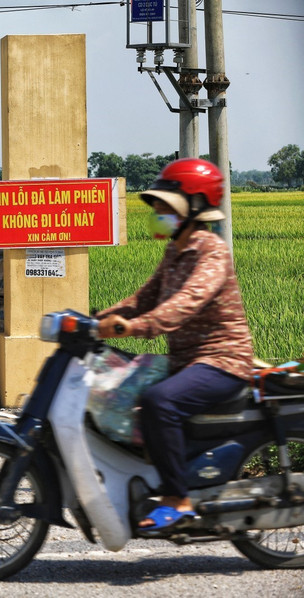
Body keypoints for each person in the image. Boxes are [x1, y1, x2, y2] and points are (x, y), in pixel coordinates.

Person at [95, 158, 254, 534]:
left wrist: (135, 327)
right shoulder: (174, 251)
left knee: (159, 401)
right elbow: (144, 298)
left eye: (167, 207)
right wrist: (96, 320)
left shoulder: (211, 251)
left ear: (194, 207)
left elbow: (186, 302)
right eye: (158, 207)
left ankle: (177, 499)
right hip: (188, 361)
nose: (159, 213)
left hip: (223, 361)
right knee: (115, 387)